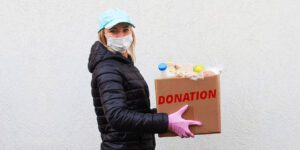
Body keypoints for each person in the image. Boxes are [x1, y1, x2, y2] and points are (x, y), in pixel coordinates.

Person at [87, 8, 202, 150]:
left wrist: (169, 113)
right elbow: (117, 116)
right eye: (114, 31)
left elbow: (137, 111)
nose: (121, 35)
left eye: (125, 29)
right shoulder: (107, 68)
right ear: (103, 34)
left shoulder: (123, 64)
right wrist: (166, 121)